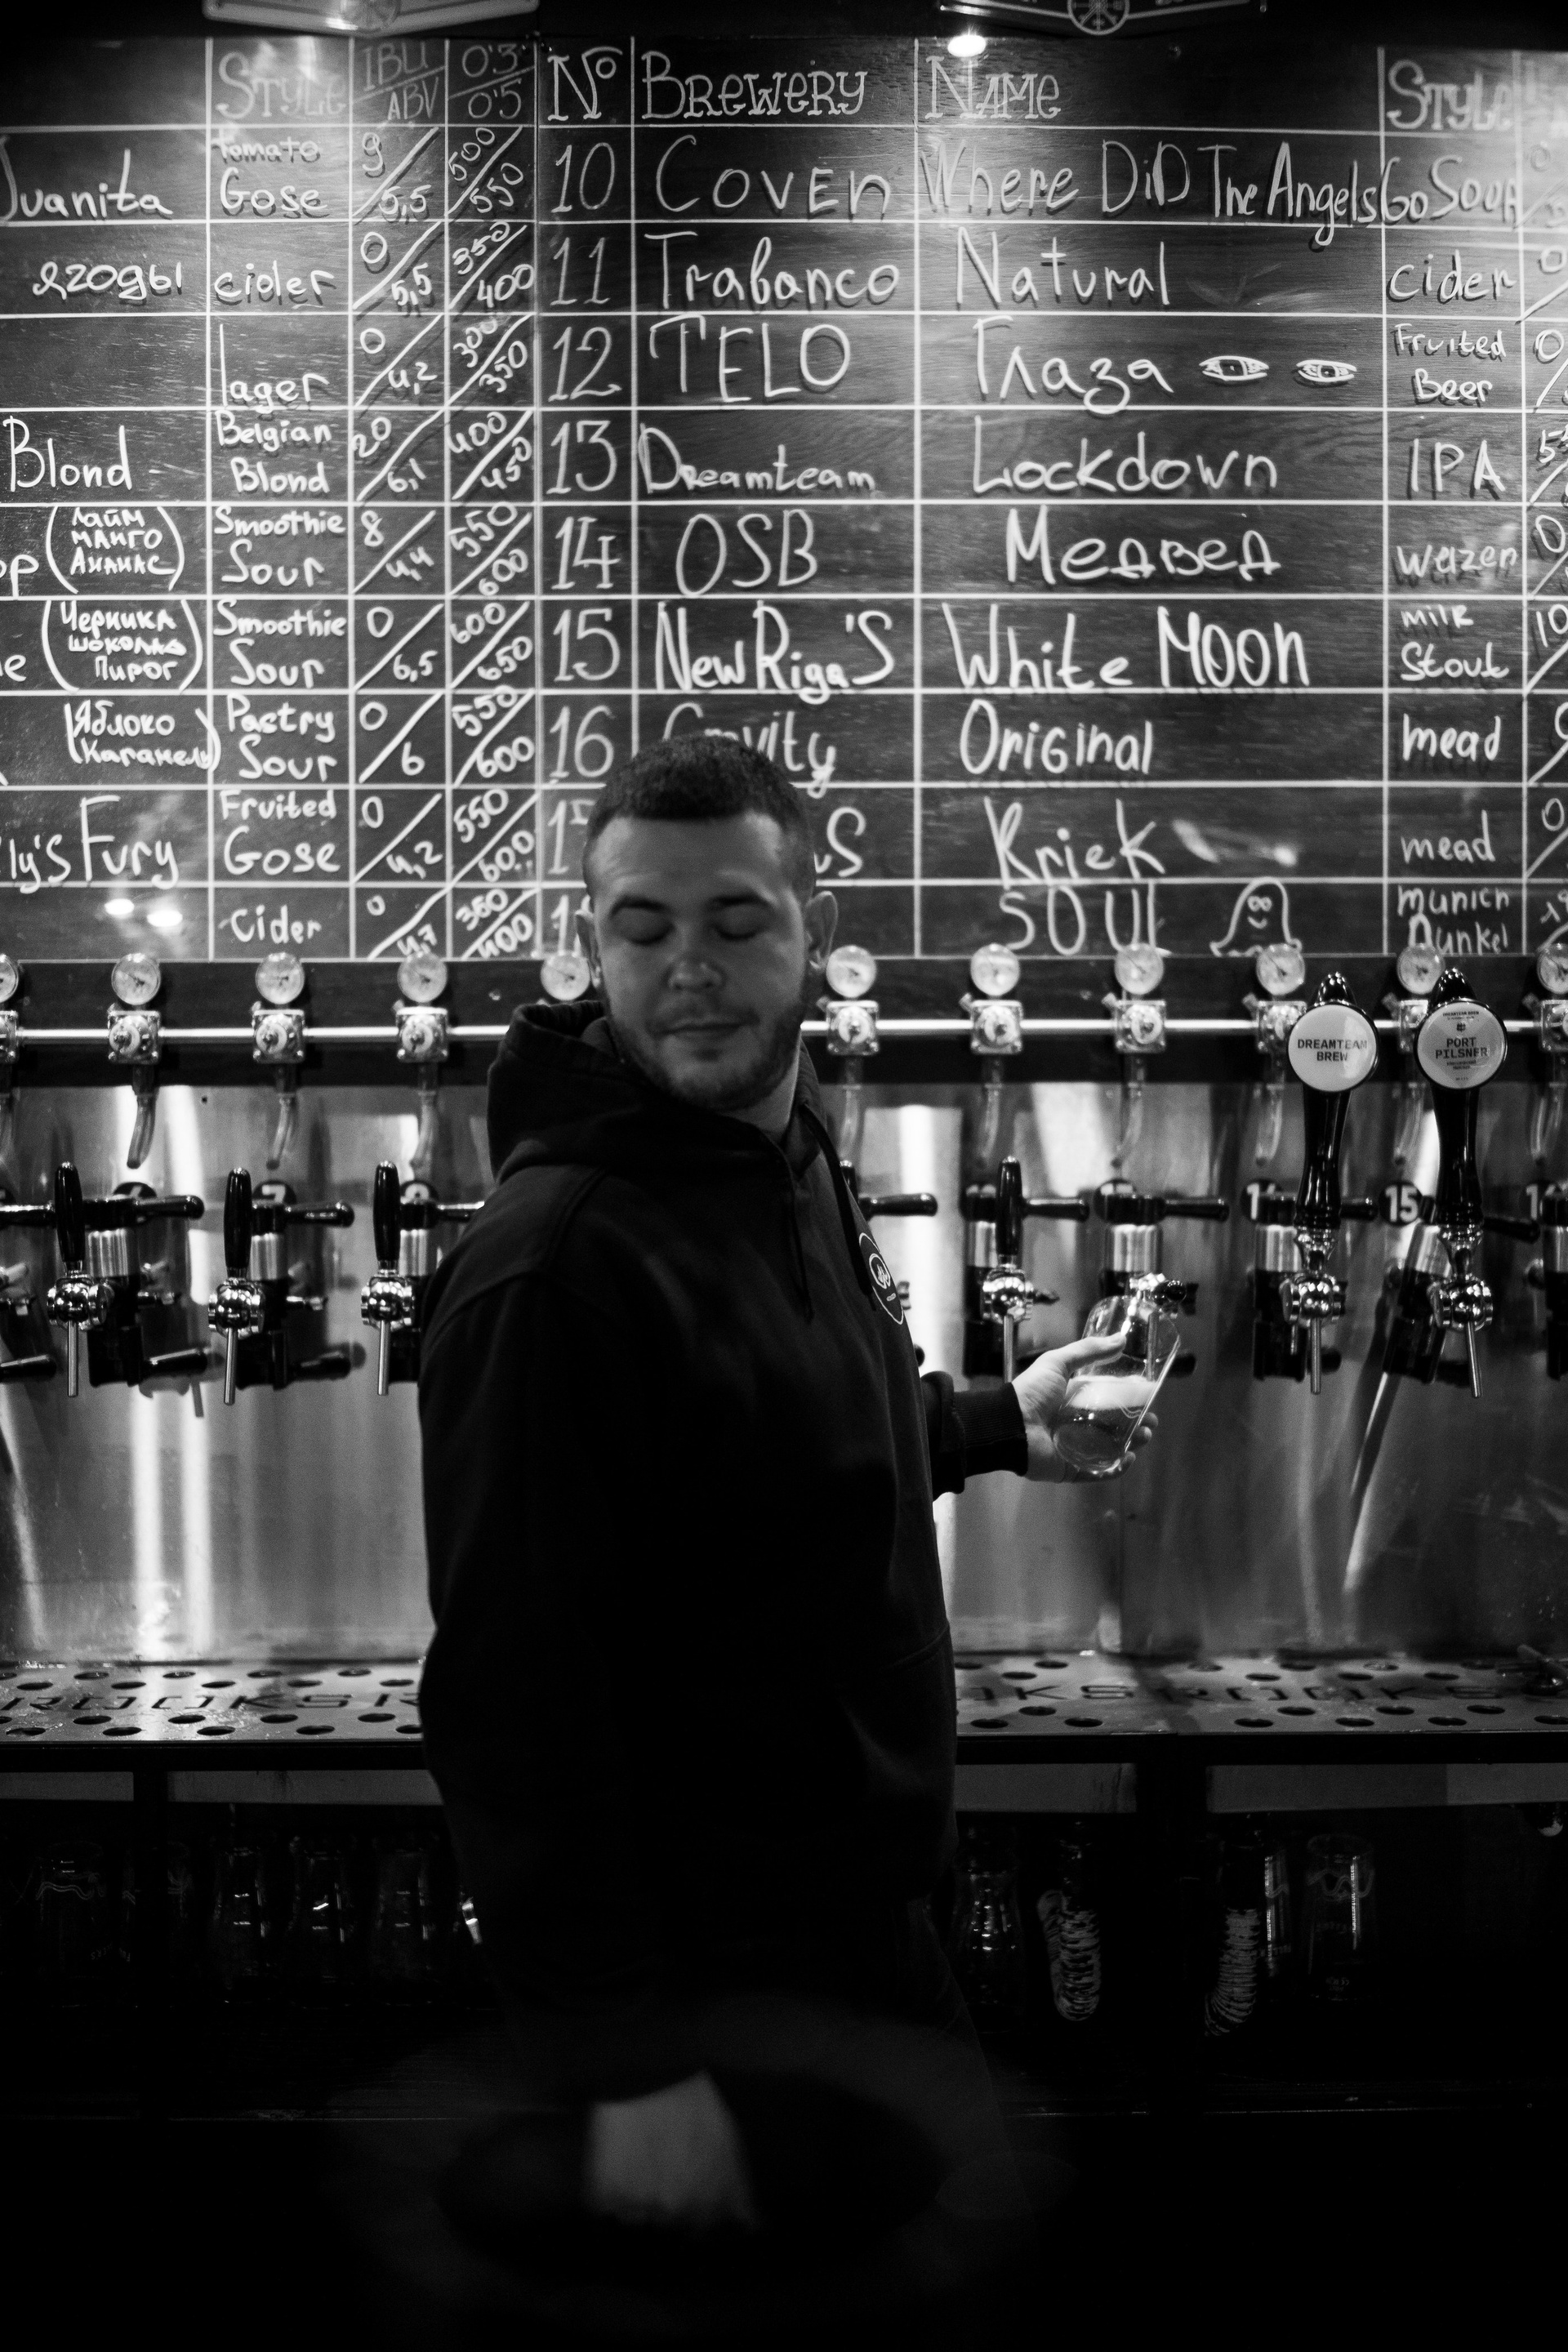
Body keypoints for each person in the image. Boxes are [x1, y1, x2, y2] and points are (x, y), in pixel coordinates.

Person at [417, 739, 1150, 2244]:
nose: (689, 969)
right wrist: (631, 2074)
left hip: (872, 1942)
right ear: (593, 946)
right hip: (712, 2012)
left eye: (736, 922)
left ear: (817, 930)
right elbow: (515, 1712)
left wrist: (995, 1423)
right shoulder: (555, 1270)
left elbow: (777, 1453)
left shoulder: (785, 1153)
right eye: (643, 928)